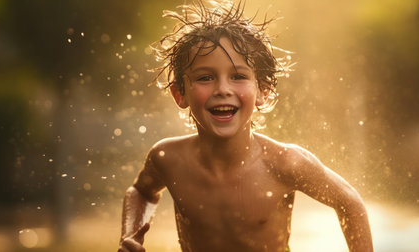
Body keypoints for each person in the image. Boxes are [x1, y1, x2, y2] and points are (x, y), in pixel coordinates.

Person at [118, 1, 373, 251]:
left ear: (262, 90)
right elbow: (141, 191)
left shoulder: (285, 163)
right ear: (180, 94)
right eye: (205, 77)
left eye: (238, 76)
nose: (223, 90)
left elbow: (349, 202)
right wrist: (131, 236)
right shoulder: (168, 159)